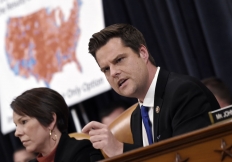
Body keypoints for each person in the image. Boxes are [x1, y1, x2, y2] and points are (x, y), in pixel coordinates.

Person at [82, 23, 220, 157]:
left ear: (143, 53)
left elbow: (190, 156)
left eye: (119, 60)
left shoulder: (183, 93)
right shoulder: (137, 116)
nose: (113, 73)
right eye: (106, 69)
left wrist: (121, 149)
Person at [12, 87, 103, 162]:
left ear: (51, 120)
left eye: (24, 122)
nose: (17, 133)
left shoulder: (83, 151)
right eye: (16, 125)